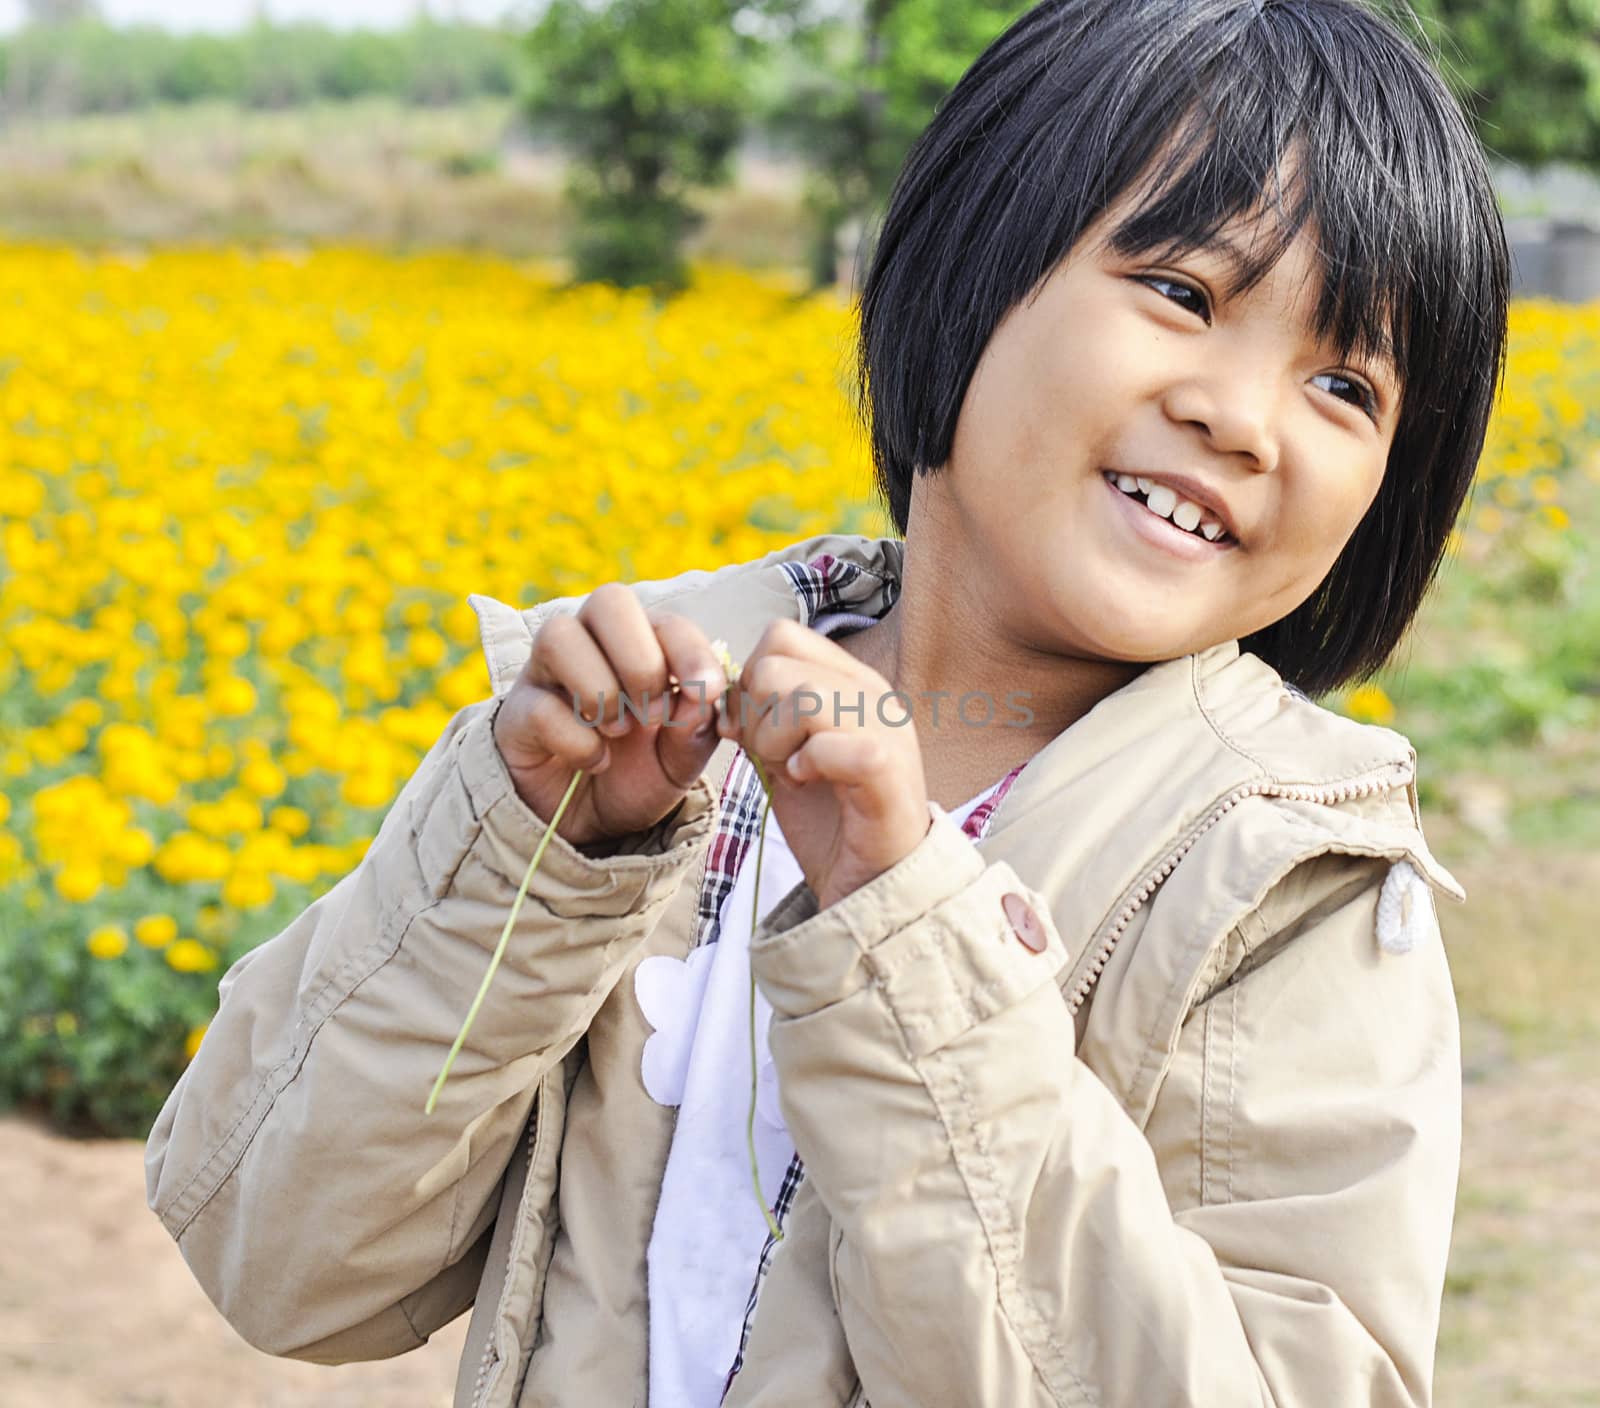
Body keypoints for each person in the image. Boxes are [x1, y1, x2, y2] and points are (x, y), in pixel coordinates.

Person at [144, 2, 1509, 1405]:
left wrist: (905, 919)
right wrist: (539, 859)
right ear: (974, 269)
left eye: (1346, 382)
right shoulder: (635, 726)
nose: (1244, 417)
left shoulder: (1295, 895)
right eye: (1184, 293)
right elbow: (276, 1255)